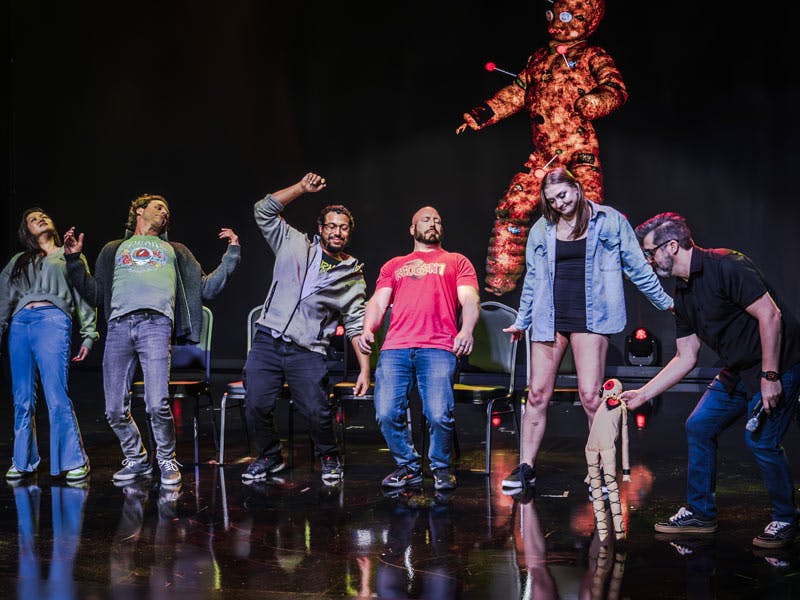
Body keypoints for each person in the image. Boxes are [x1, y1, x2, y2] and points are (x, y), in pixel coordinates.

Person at [621, 212, 800, 549]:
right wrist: (642, 395)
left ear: (671, 246)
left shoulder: (727, 266)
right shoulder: (684, 295)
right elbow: (685, 357)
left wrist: (770, 375)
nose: (647, 259)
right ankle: (701, 513)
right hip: (738, 369)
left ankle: (786, 518)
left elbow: (771, 316)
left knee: (761, 440)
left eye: (649, 252)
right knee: (699, 425)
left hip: (780, 364)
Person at [501, 167, 672, 494]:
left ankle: (602, 473)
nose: (560, 203)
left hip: (592, 317)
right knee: (537, 393)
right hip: (549, 317)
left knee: (591, 396)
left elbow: (636, 267)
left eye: (563, 195)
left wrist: (665, 302)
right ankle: (526, 468)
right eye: (552, 200)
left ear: (577, 188)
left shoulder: (609, 221)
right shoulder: (542, 229)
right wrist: (521, 320)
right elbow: (532, 280)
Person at [63, 194, 240, 487]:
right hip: (119, 326)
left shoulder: (175, 251)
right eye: (159, 207)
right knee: (114, 409)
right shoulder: (114, 249)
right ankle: (136, 457)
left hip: (156, 326)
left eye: (168, 210)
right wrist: (73, 260)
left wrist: (232, 253)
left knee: (157, 403)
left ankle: (166, 458)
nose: (165, 213)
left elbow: (207, 287)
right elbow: (95, 294)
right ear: (139, 211)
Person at [241, 172, 370, 485]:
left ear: (349, 232)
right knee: (256, 403)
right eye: (332, 226)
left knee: (316, 410)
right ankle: (270, 455)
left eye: (344, 227)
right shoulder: (292, 242)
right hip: (268, 340)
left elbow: (356, 325)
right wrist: (301, 188)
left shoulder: (351, 275)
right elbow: (263, 210)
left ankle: (328, 455)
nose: (337, 232)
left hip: (308, 350)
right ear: (321, 228)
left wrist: (365, 370)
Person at [358, 206, 480, 491]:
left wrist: (467, 329)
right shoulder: (394, 265)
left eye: (437, 220)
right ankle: (408, 466)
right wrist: (368, 328)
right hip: (395, 348)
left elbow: (471, 298)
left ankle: (440, 467)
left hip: (438, 347)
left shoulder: (456, 261)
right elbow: (378, 301)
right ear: (412, 229)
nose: (433, 223)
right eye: (425, 220)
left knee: (438, 413)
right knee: (386, 412)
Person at [0, 208, 98, 482]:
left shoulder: (67, 255)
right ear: (26, 231)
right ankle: (23, 460)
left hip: (52, 320)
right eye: (32, 219)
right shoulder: (18, 260)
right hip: (20, 325)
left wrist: (89, 333)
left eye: (43, 216)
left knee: (56, 393)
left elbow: (84, 295)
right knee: (22, 398)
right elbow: (3, 298)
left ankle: (74, 460)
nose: (39, 220)